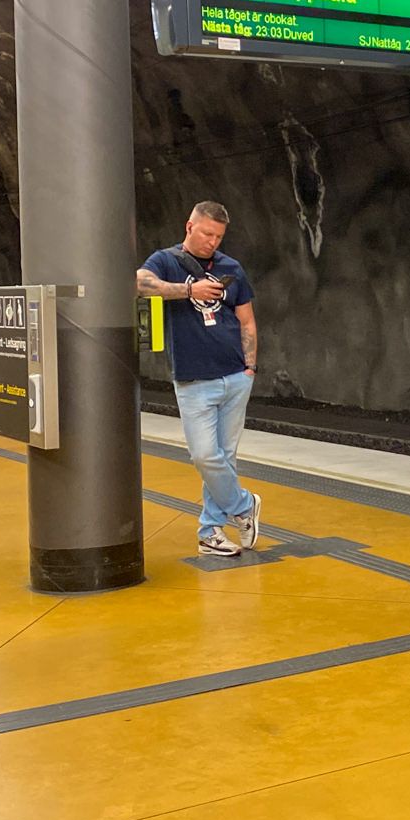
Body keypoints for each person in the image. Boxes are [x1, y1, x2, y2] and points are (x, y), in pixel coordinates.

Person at [136, 201, 263, 556]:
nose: (212, 242)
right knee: (205, 456)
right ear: (189, 226)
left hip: (236, 376)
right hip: (194, 380)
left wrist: (250, 366)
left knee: (225, 456)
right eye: (207, 233)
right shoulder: (166, 261)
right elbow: (140, 284)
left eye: (219, 236)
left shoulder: (230, 267)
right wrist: (189, 291)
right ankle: (243, 506)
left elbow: (246, 320)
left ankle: (210, 532)